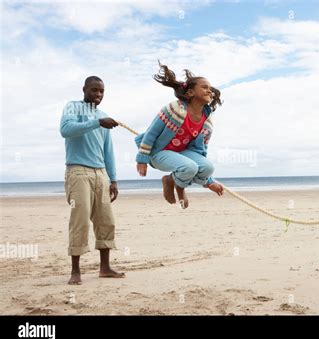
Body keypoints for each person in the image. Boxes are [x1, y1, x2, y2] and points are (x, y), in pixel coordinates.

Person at [60, 76, 125, 285]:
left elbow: (108, 151)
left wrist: (113, 179)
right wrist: (96, 122)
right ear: (84, 89)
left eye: (102, 92)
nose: (98, 95)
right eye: (94, 90)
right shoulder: (73, 108)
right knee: (79, 221)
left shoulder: (104, 116)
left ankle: (105, 268)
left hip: (101, 175)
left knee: (106, 221)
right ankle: (75, 271)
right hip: (78, 172)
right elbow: (66, 130)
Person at [135, 62, 224, 208]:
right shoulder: (173, 109)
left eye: (210, 89)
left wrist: (209, 182)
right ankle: (176, 185)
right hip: (159, 152)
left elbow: (202, 151)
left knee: (208, 167)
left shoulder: (207, 120)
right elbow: (152, 132)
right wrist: (142, 159)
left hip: (182, 152)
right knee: (189, 167)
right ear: (190, 93)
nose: (209, 91)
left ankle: (175, 182)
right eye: (204, 87)